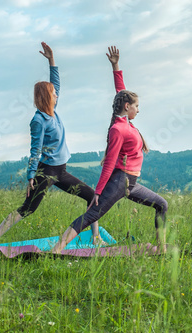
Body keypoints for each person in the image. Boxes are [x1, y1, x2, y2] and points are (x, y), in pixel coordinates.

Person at [0, 42, 104, 248]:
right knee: (28, 209)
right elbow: (35, 149)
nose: (57, 94)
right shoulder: (38, 120)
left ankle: (96, 237)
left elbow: (56, 83)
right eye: (53, 93)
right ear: (47, 96)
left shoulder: (53, 112)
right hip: (46, 172)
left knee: (92, 196)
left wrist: (51, 61)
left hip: (62, 171)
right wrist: (31, 175)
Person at [51, 46, 168, 254]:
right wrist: (98, 191)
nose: (138, 110)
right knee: (91, 215)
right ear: (126, 107)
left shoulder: (123, 120)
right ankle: (57, 248)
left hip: (130, 183)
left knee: (162, 205)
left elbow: (121, 92)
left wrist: (115, 66)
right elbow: (110, 162)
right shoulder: (118, 129)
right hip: (120, 181)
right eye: (136, 106)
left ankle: (162, 248)